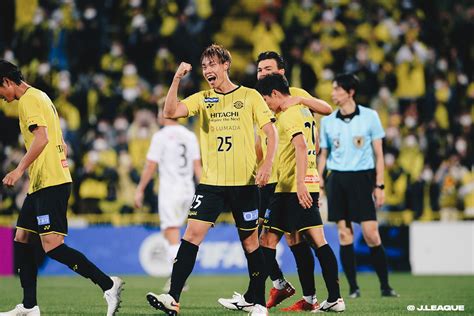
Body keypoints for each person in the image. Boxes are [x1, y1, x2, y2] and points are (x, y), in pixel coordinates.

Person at [145, 44, 277, 316]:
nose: (208, 71)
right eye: (204, 67)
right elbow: (169, 112)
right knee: (191, 236)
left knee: (251, 243)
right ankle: (173, 297)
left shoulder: (250, 96)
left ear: (226, 65)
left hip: (245, 184)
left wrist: (267, 164)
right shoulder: (202, 98)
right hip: (212, 184)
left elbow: (270, 131)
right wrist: (176, 79)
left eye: (212, 65)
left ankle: (259, 303)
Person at [0, 60, 123, 316]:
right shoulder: (41, 96)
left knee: (52, 246)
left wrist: (18, 169)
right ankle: (29, 306)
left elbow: (42, 138)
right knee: (21, 237)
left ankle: (108, 284)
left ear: (7, 82)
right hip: (41, 182)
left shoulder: (28, 101)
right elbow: (59, 140)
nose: (1, 97)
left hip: (50, 182)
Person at [218, 51, 333, 312]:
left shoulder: (290, 96)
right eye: (260, 70)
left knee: (285, 240)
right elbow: (261, 141)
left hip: (289, 179)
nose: (263, 73)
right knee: (278, 239)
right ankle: (291, 291)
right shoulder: (259, 100)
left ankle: (282, 293)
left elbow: (324, 113)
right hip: (270, 179)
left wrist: (300, 99)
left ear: (281, 71)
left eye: (268, 69)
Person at [255, 73, 345, 312]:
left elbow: (302, 147)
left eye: (266, 100)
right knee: (277, 239)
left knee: (311, 241)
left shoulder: (289, 112)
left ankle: (255, 299)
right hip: (292, 186)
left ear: (275, 94)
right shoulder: (302, 109)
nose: (267, 106)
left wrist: (301, 183)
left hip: (294, 188)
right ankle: (318, 298)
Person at [318, 73, 399, 298]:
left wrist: (379, 185)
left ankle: (385, 286)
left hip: (362, 179)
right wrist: (319, 179)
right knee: (345, 234)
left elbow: (379, 155)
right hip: (337, 180)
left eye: (337, 89)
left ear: (350, 92)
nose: (333, 93)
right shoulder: (327, 121)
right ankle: (353, 288)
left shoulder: (370, 117)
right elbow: (323, 155)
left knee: (371, 233)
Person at [134, 105, 201, 290]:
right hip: (189, 189)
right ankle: (179, 274)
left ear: (164, 114)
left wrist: (140, 189)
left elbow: (150, 166)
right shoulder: (190, 135)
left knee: (171, 233)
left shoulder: (160, 136)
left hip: (170, 190)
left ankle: (178, 278)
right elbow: (198, 168)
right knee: (182, 234)